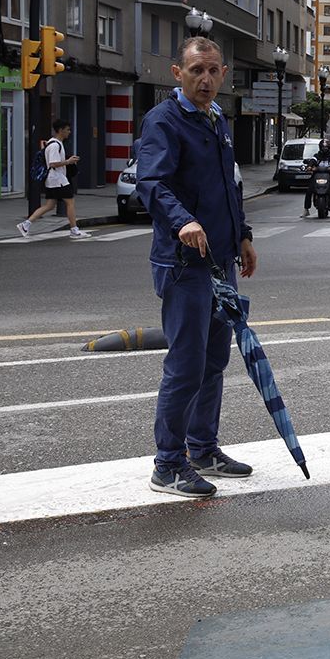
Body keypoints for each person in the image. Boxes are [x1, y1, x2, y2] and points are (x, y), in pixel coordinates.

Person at [136, 37, 258, 498]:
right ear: (177, 73)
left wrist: (243, 236)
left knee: (213, 361)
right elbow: (152, 182)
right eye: (195, 71)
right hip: (184, 264)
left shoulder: (216, 120)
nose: (204, 79)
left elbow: (230, 183)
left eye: (212, 71)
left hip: (221, 261)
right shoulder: (164, 121)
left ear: (223, 75)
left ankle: (203, 448)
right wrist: (182, 220)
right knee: (185, 365)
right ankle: (168, 464)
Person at [17, 119, 90, 239]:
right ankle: (74, 230)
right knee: (70, 203)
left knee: (49, 205)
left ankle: (26, 224)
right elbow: (53, 163)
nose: (69, 132)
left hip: (53, 179)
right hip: (58, 179)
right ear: (60, 130)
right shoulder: (55, 145)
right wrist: (69, 161)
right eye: (67, 130)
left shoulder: (53, 143)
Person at [301, 138, 330, 218]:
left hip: (328, 176)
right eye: (323, 147)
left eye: (326, 147)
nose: (325, 149)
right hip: (316, 175)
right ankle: (306, 209)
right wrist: (310, 166)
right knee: (309, 190)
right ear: (320, 147)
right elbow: (312, 161)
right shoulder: (317, 156)